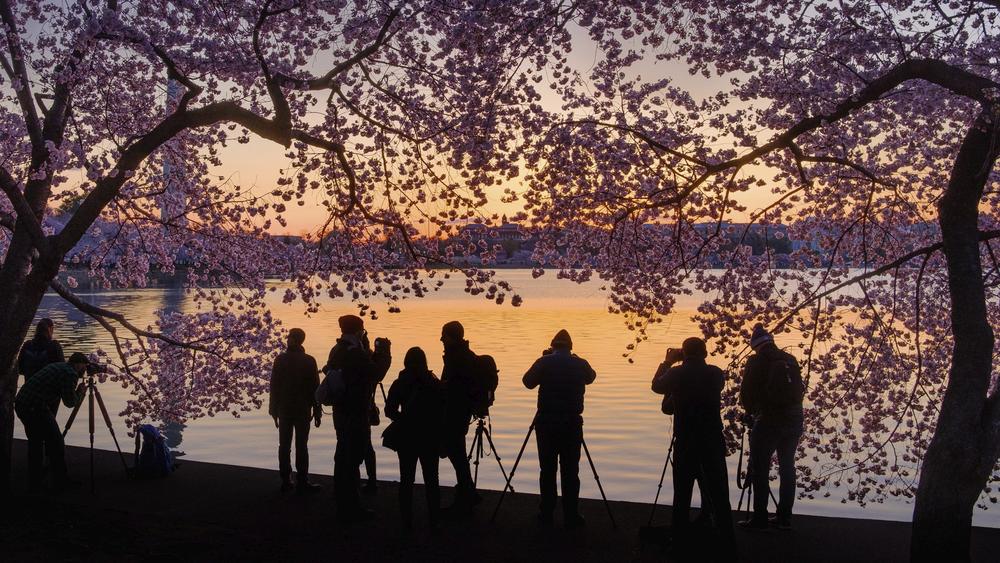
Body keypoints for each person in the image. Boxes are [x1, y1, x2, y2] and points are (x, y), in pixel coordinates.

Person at [652, 337, 737, 558]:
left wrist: (668, 362)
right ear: (705, 353)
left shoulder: (676, 374)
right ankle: (728, 542)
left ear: (684, 354)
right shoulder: (716, 374)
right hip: (712, 440)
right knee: (719, 492)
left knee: (682, 493)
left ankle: (679, 542)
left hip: (687, 441)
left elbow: (656, 386)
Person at [522, 329, 596, 528]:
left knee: (547, 469)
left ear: (553, 345)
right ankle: (571, 515)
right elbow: (591, 377)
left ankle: (546, 513)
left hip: (547, 421)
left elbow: (527, 382)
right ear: (571, 347)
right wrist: (576, 359)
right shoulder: (580, 363)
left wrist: (544, 359)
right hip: (572, 422)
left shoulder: (544, 362)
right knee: (571, 470)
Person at [739, 324, 805, 531]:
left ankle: (760, 518)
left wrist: (751, 412)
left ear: (755, 346)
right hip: (794, 418)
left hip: (769, 419)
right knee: (787, 466)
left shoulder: (756, 361)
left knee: (760, 467)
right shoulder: (790, 359)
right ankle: (784, 517)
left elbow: (746, 393)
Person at [326, 314, 391, 523]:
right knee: (353, 457)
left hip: (340, 409)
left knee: (342, 453)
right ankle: (352, 506)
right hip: (356, 410)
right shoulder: (356, 353)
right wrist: (384, 354)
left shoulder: (337, 349)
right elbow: (376, 374)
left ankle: (341, 499)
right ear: (358, 330)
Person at [384, 347, 445, 530]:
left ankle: (406, 521)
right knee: (432, 480)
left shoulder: (400, 383)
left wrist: (403, 419)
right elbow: (442, 409)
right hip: (429, 436)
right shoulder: (433, 382)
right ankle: (434, 521)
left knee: (406, 479)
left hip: (407, 436)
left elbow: (389, 410)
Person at [14, 352, 88, 491]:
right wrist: (80, 391)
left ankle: (35, 480)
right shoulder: (70, 374)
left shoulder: (59, 366)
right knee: (57, 442)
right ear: (78, 364)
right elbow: (70, 402)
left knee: (35, 442)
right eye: (84, 367)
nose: (84, 371)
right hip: (35, 407)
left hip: (22, 403)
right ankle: (61, 481)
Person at [269, 328, 322, 494]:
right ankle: (302, 481)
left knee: (284, 446)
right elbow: (315, 387)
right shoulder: (309, 360)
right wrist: (317, 409)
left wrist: (273, 410)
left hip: (285, 407)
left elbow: (274, 386)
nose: (287, 340)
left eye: (289, 337)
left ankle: (286, 480)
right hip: (302, 408)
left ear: (293, 340)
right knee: (301, 446)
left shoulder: (280, 359)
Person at [439, 320, 479, 513]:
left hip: (455, 412)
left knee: (457, 456)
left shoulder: (458, 358)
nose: (441, 339)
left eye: (444, 336)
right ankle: (469, 492)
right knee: (459, 455)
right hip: (461, 412)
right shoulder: (464, 355)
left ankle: (464, 499)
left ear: (452, 337)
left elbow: (453, 388)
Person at [18, 318, 65, 414]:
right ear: (51, 329)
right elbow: (63, 369)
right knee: (49, 426)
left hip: (29, 393)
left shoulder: (27, 345)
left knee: (31, 425)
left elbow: (20, 369)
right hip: (50, 395)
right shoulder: (54, 346)